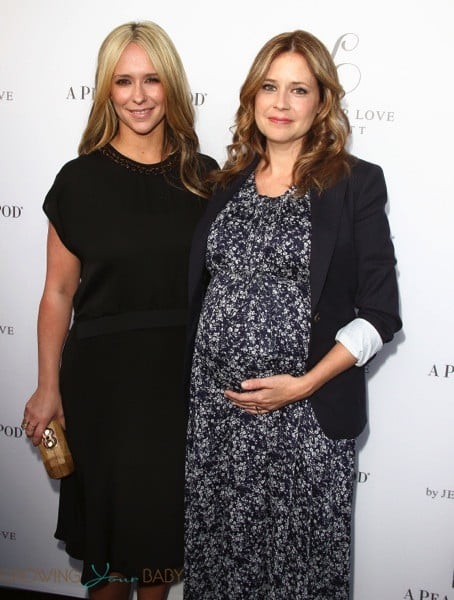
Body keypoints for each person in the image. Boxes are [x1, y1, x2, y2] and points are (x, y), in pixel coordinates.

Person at [183, 30, 401, 599]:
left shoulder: (355, 184)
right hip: (218, 421)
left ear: (322, 102)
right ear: (252, 97)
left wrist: (303, 385)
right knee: (221, 570)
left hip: (306, 422)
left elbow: (379, 314)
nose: (281, 104)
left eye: (298, 90)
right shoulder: (223, 184)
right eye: (270, 87)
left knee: (299, 578)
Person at [22, 21, 217, 600]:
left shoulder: (207, 178)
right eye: (124, 80)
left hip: (177, 387)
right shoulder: (78, 182)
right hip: (102, 389)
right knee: (108, 562)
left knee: (159, 553)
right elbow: (58, 292)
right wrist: (47, 386)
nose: (139, 95)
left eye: (152, 79)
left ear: (171, 86)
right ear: (106, 90)